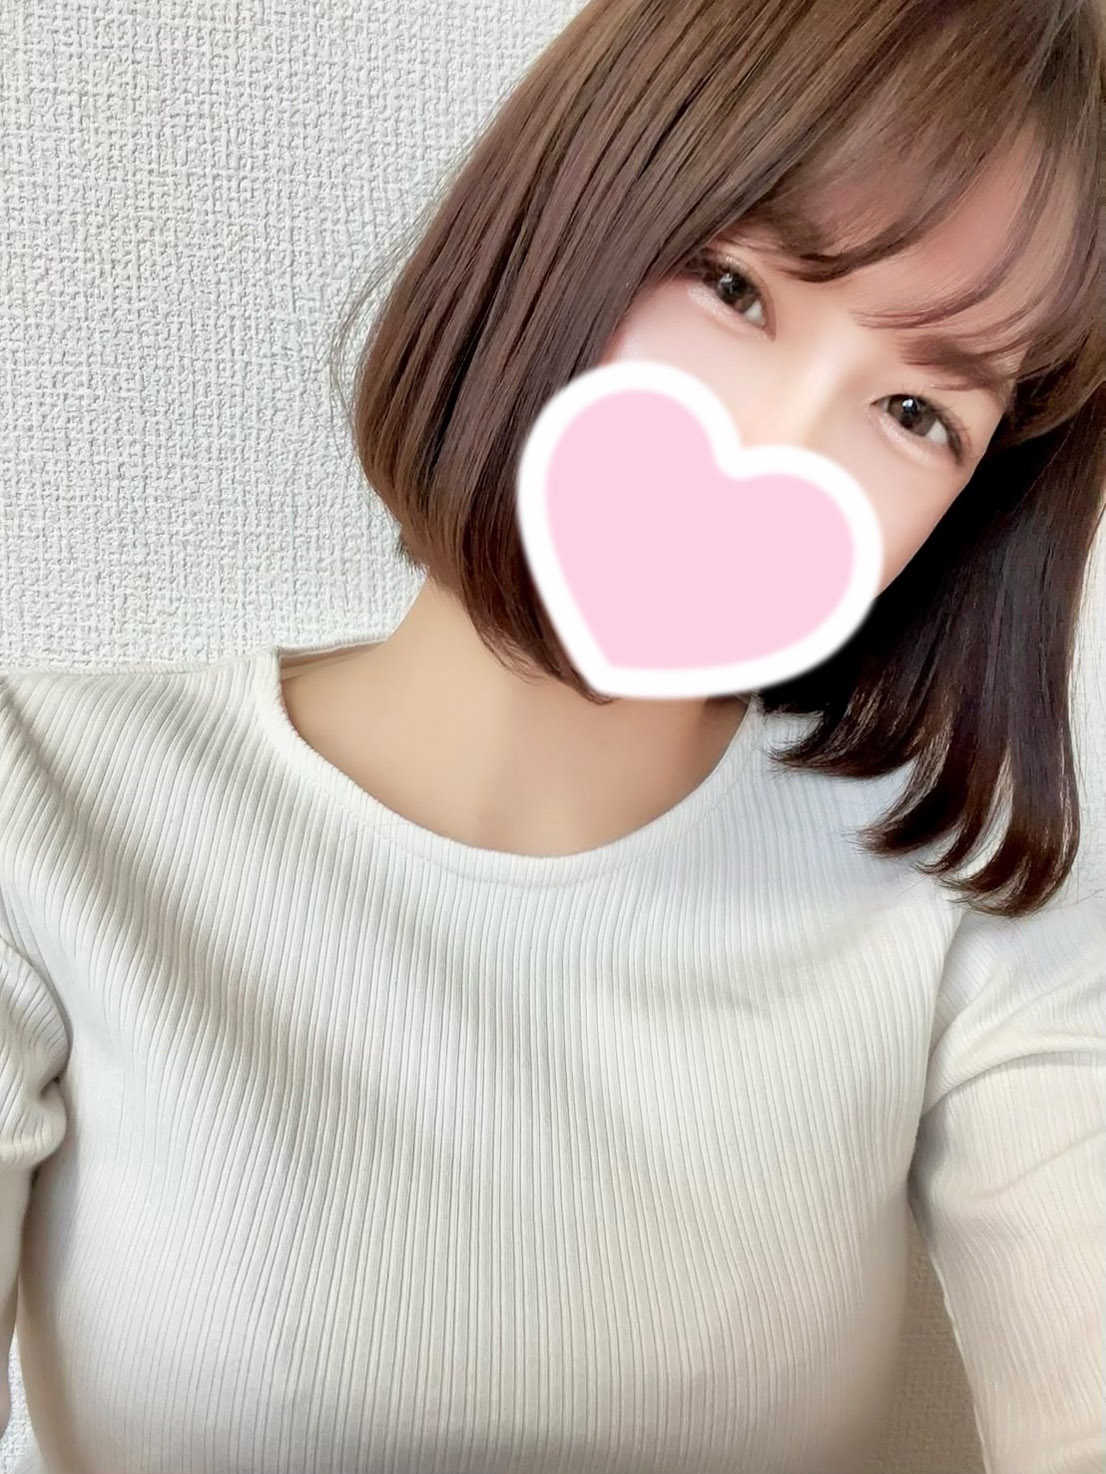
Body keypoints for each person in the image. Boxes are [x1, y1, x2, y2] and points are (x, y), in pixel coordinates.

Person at [1, 0, 1104, 1470]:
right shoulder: (43, 806)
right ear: (565, 216)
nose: (777, 450)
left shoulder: (962, 889)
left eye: (914, 410)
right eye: (733, 285)